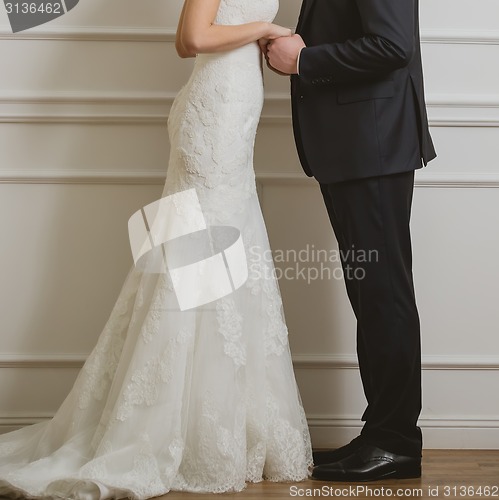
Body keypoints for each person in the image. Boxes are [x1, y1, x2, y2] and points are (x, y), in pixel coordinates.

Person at [0, 1, 312, 498]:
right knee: (190, 265)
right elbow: (190, 37)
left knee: (230, 257)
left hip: (238, 112)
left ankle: (226, 431)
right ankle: (173, 432)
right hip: (211, 118)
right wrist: (267, 28)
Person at [265, 0, 436, 482]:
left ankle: (396, 442)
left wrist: (304, 60)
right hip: (356, 146)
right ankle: (382, 431)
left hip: (373, 144)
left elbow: (392, 45)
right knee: (373, 295)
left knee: (385, 296)